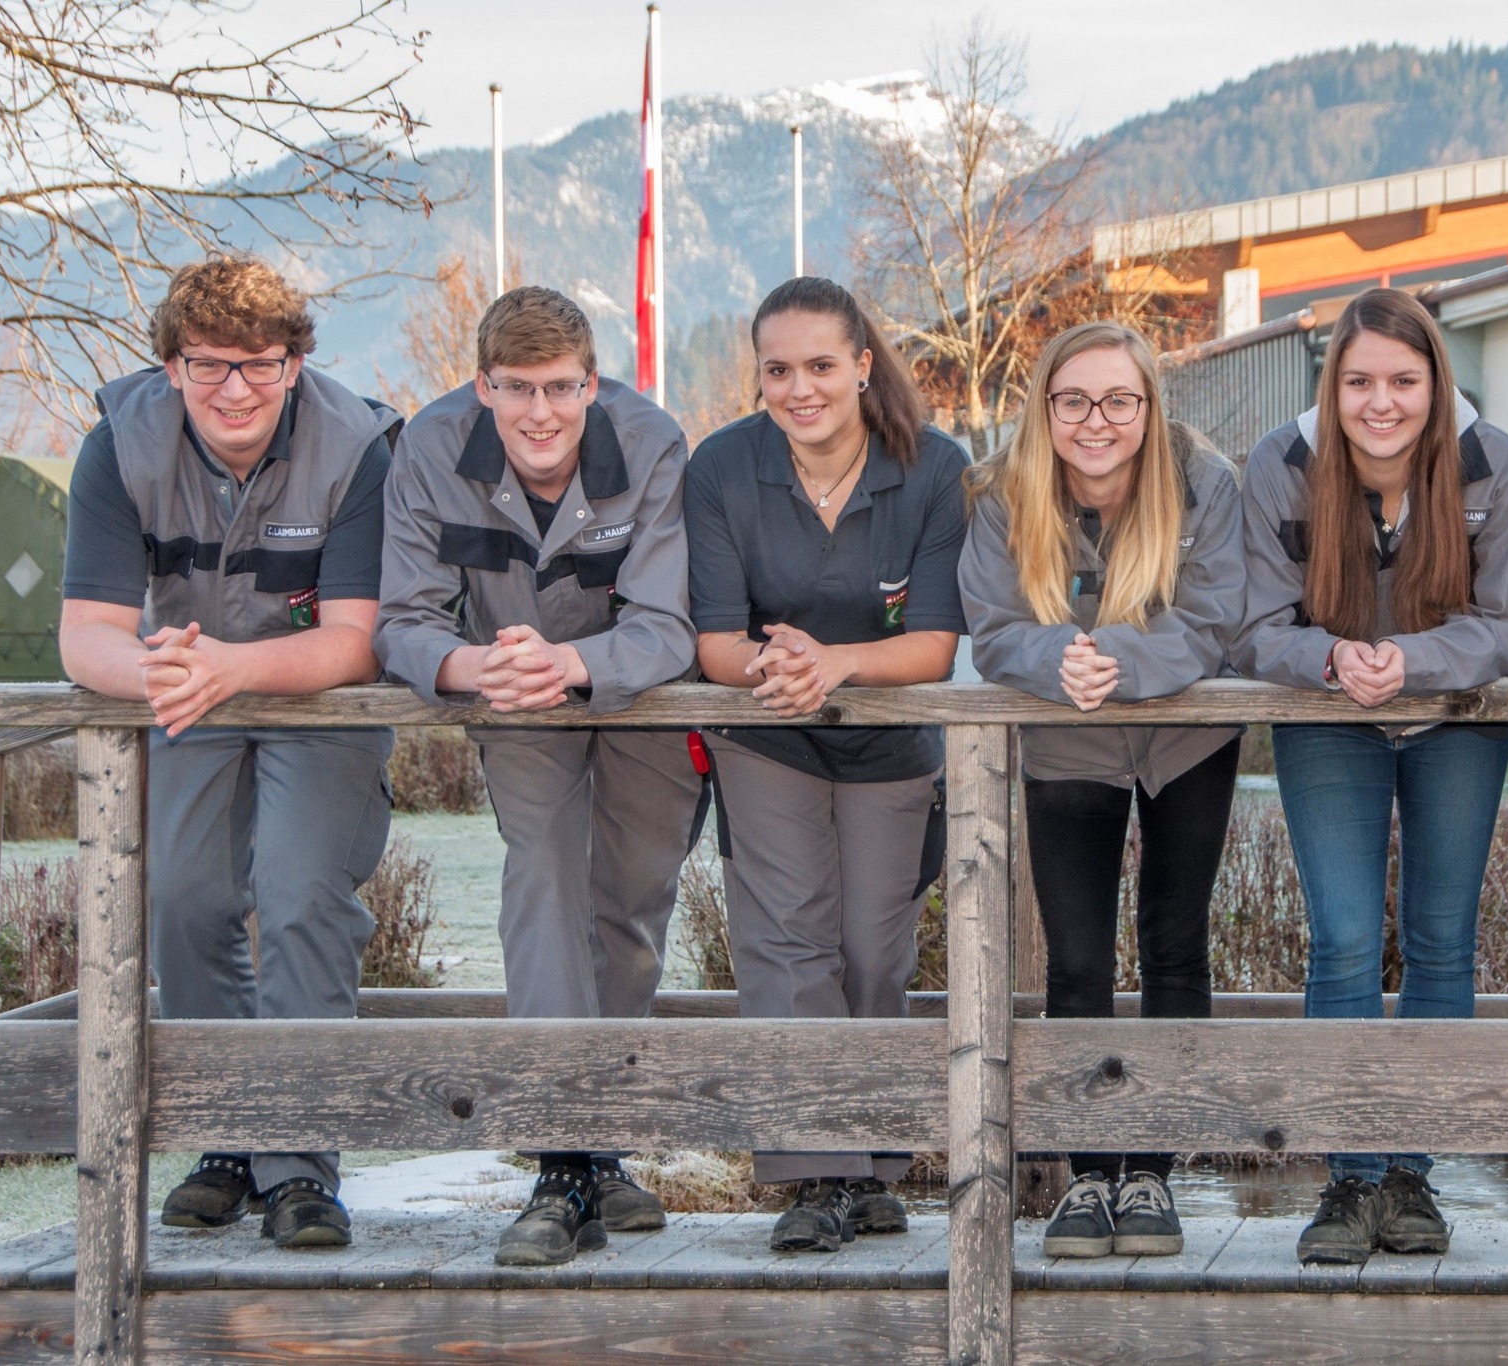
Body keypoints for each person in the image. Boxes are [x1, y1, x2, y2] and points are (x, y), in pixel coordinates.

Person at [58, 256, 399, 1249]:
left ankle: (300, 1168)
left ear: (294, 363)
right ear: (172, 367)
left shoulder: (358, 446)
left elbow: (356, 638)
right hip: (185, 690)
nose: (234, 388)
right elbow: (86, 634)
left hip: (316, 697)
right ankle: (226, 1140)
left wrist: (231, 667)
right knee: (184, 895)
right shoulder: (117, 447)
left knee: (299, 896)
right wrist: (162, 672)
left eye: (259, 363)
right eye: (208, 364)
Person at [376, 286, 707, 1266]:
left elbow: (667, 621)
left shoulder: (650, 443)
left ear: (592, 384)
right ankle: (563, 1160)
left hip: (638, 694)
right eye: (516, 388)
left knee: (633, 903)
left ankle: (604, 1146)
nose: (539, 412)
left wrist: (573, 662)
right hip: (510, 695)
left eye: (560, 387)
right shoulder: (429, 448)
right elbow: (403, 617)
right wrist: (473, 666)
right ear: (482, 386)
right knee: (545, 884)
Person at [1236, 287, 1508, 1266]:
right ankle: (1350, 1177)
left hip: (1455, 720)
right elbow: (1252, 623)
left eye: (1403, 381)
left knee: (1441, 941)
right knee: (1341, 940)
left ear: (1435, 384)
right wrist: (1330, 659)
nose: (1381, 403)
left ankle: (1410, 1174)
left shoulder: (1491, 461)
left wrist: (1413, 660)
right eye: (1360, 381)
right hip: (1329, 720)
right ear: (1331, 385)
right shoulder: (1280, 465)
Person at [684, 276, 968, 1253]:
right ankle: (818, 1172)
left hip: (889, 739)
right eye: (777, 370)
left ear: (861, 365)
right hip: (767, 730)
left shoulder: (933, 469)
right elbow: (714, 638)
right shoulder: (723, 466)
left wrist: (837, 661)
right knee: (789, 945)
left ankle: (875, 1166)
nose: (798, 388)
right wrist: (776, 667)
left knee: (873, 951)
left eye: (818, 365)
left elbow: (935, 644)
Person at [961, 320, 1246, 1260]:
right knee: (1077, 962)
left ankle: (1153, 1175)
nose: (1096, 420)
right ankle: (1087, 1175)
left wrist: (1115, 657)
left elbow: (1214, 618)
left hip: (1184, 738)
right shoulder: (1004, 492)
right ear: (1045, 406)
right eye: (1074, 400)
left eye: (1119, 400)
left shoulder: (1204, 482)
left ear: (1149, 405)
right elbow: (994, 626)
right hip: (1068, 740)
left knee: (1175, 946)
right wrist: (1061, 659)